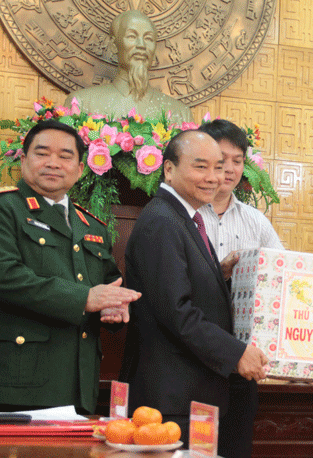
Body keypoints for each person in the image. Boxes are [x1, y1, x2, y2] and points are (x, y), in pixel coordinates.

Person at [120, 130, 268, 457]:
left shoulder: (184, 218)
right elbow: (177, 312)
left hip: (192, 395)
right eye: (201, 167)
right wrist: (235, 353)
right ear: (169, 170)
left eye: (219, 168)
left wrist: (221, 275)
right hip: (173, 400)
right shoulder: (162, 220)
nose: (213, 178)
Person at [0, 120, 140, 414]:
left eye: (65, 156)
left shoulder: (92, 225)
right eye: (42, 153)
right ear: (23, 159)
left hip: (79, 382)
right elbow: (1, 275)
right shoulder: (0, 208)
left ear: (81, 168)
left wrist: (115, 307)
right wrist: (84, 298)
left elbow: (109, 283)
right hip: (17, 381)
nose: (53, 163)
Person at [65, 10, 191, 124]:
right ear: (114, 45)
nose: (141, 45)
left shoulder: (180, 113)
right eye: (132, 36)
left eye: (148, 38)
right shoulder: (82, 103)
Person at [197, 119, 283, 278]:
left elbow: (281, 268)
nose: (229, 169)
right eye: (221, 160)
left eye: (237, 161)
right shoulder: (185, 214)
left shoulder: (256, 221)